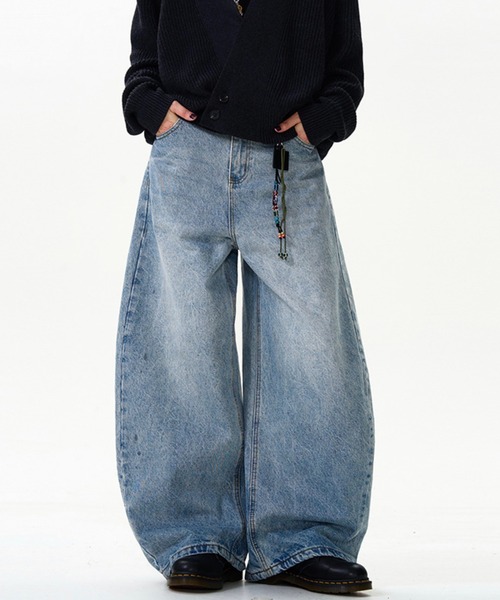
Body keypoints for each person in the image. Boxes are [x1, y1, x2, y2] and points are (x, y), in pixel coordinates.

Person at [115, 0, 375, 595]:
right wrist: (151, 108)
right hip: (186, 159)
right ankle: (194, 535)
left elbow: (345, 68)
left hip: (287, 160)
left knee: (312, 347)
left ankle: (305, 538)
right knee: (182, 344)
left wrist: (323, 119)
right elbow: (144, 57)